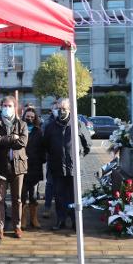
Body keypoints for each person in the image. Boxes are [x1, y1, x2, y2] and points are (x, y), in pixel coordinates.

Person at [43, 98, 92, 230]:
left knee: (74, 196)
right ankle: (61, 220)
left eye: (64, 108)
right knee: (59, 196)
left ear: (70, 109)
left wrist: (78, 157)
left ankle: (75, 221)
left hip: (73, 168)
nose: (61, 111)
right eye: (59, 108)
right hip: (57, 167)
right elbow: (46, 145)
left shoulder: (78, 125)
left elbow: (88, 145)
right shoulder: (50, 126)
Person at [0, 96, 28, 239]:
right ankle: (0, 227)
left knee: (17, 199)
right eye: (4, 105)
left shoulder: (22, 124)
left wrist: (2, 139)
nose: (6, 108)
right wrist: (13, 138)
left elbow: (22, 143)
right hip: (0, 167)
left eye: (9, 105)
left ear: (15, 107)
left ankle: (17, 226)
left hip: (18, 166)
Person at [21, 107, 45, 229]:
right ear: (23, 116)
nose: (29, 118)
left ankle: (34, 219)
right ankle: (23, 219)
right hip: (21, 167)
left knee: (34, 195)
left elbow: (43, 149)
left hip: (35, 167)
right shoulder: (19, 129)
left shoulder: (38, 131)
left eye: (32, 117)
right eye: (27, 116)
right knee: (22, 194)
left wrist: (41, 160)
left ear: (35, 118)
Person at [42, 100, 59, 219]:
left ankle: (65, 210)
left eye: (60, 108)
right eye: (55, 108)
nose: (58, 110)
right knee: (50, 183)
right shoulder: (47, 123)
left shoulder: (71, 122)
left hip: (67, 160)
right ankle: (47, 207)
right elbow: (43, 141)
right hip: (52, 158)